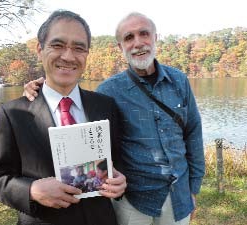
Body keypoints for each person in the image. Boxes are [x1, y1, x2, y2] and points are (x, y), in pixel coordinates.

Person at [23, 12, 205, 225]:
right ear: (120, 47)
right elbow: (74, 104)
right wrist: (42, 87)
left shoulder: (179, 81)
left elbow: (193, 133)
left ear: (155, 38)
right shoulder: (109, 90)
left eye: (144, 34)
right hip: (133, 200)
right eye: (128, 38)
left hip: (179, 196)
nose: (138, 43)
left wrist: (194, 189)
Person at [0, 10, 126, 225]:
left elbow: (118, 162)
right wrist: (32, 190)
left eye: (79, 48)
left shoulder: (105, 106)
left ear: (87, 54)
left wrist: (120, 182)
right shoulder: (13, 114)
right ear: (40, 50)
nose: (68, 56)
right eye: (58, 45)